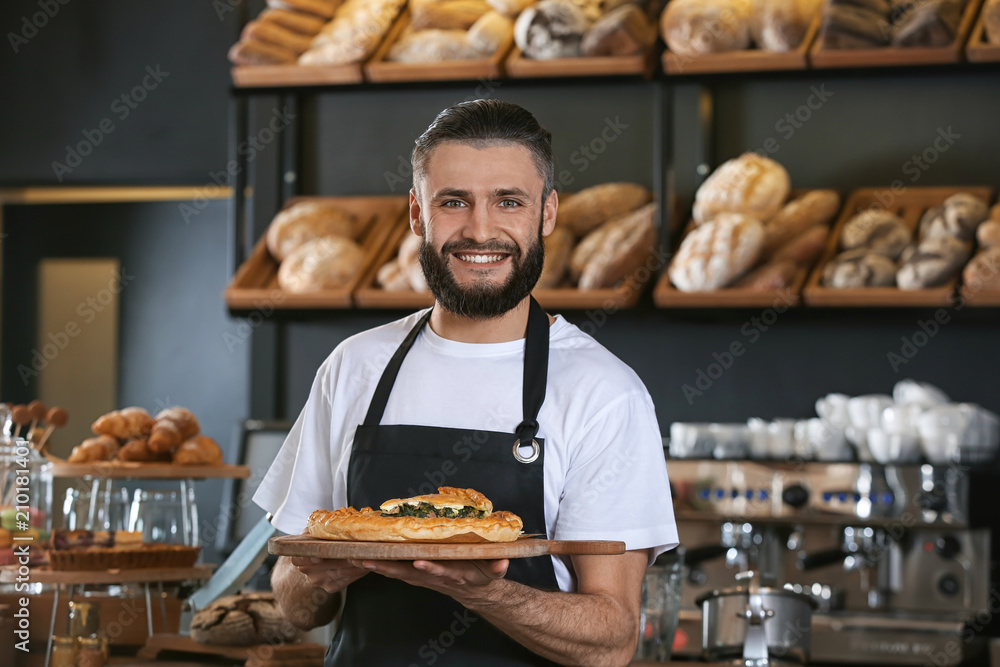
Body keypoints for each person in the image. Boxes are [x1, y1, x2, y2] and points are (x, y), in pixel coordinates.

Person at [253, 99, 677, 667]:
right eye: (453, 202)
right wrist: (328, 573)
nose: (481, 230)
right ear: (416, 213)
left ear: (547, 213)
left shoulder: (603, 391)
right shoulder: (354, 366)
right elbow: (293, 602)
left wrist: (481, 591)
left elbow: (611, 641)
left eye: (508, 201)